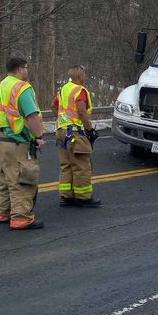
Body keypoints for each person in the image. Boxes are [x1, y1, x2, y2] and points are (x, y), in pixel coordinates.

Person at [0, 56, 46, 230]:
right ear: (21, 69)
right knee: (21, 180)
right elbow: (31, 116)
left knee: (4, 179)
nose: (27, 71)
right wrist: (38, 136)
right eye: (26, 68)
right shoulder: (22, 88)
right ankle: (21, 218)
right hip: (16, 141)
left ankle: (2, 212)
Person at [51, 65, 101, 208]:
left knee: (66, 165)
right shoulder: (80, 91)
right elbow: (81, 111)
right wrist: (89, 129)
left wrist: (61, 121)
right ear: (80, 76)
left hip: (62, 132)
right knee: (81, 166)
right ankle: (83, 197)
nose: (85, 77)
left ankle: (67, 196)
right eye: (84, 74)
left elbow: (53, 106)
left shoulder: (64, 89)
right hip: (76, 133)